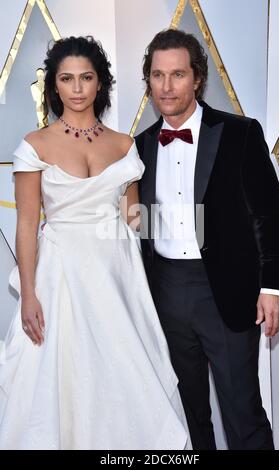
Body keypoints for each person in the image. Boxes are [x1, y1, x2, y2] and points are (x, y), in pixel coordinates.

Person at [0, 36, 191, 450]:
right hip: (60, 278)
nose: (77, 88)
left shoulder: (124, 145)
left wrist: (200, 239)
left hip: (115, 277)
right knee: (61, 384)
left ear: (100, 83)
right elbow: (28, 223)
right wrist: (29, 293)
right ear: (54, 86)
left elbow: (134, 220)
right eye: (67, 79)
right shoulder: (35, 145)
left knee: (124, 379)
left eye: (86, 77)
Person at [135, 29, 279, 450]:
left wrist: (273, 286)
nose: (167, 86)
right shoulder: (139, 148)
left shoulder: (239, 133)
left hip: (225, 288)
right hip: (165, 292)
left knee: (243, 414)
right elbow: (140, 227)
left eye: (178, 75)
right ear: (148, 80)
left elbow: (269, 216)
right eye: (158, 75)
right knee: (185, 417)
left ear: (198, 78)